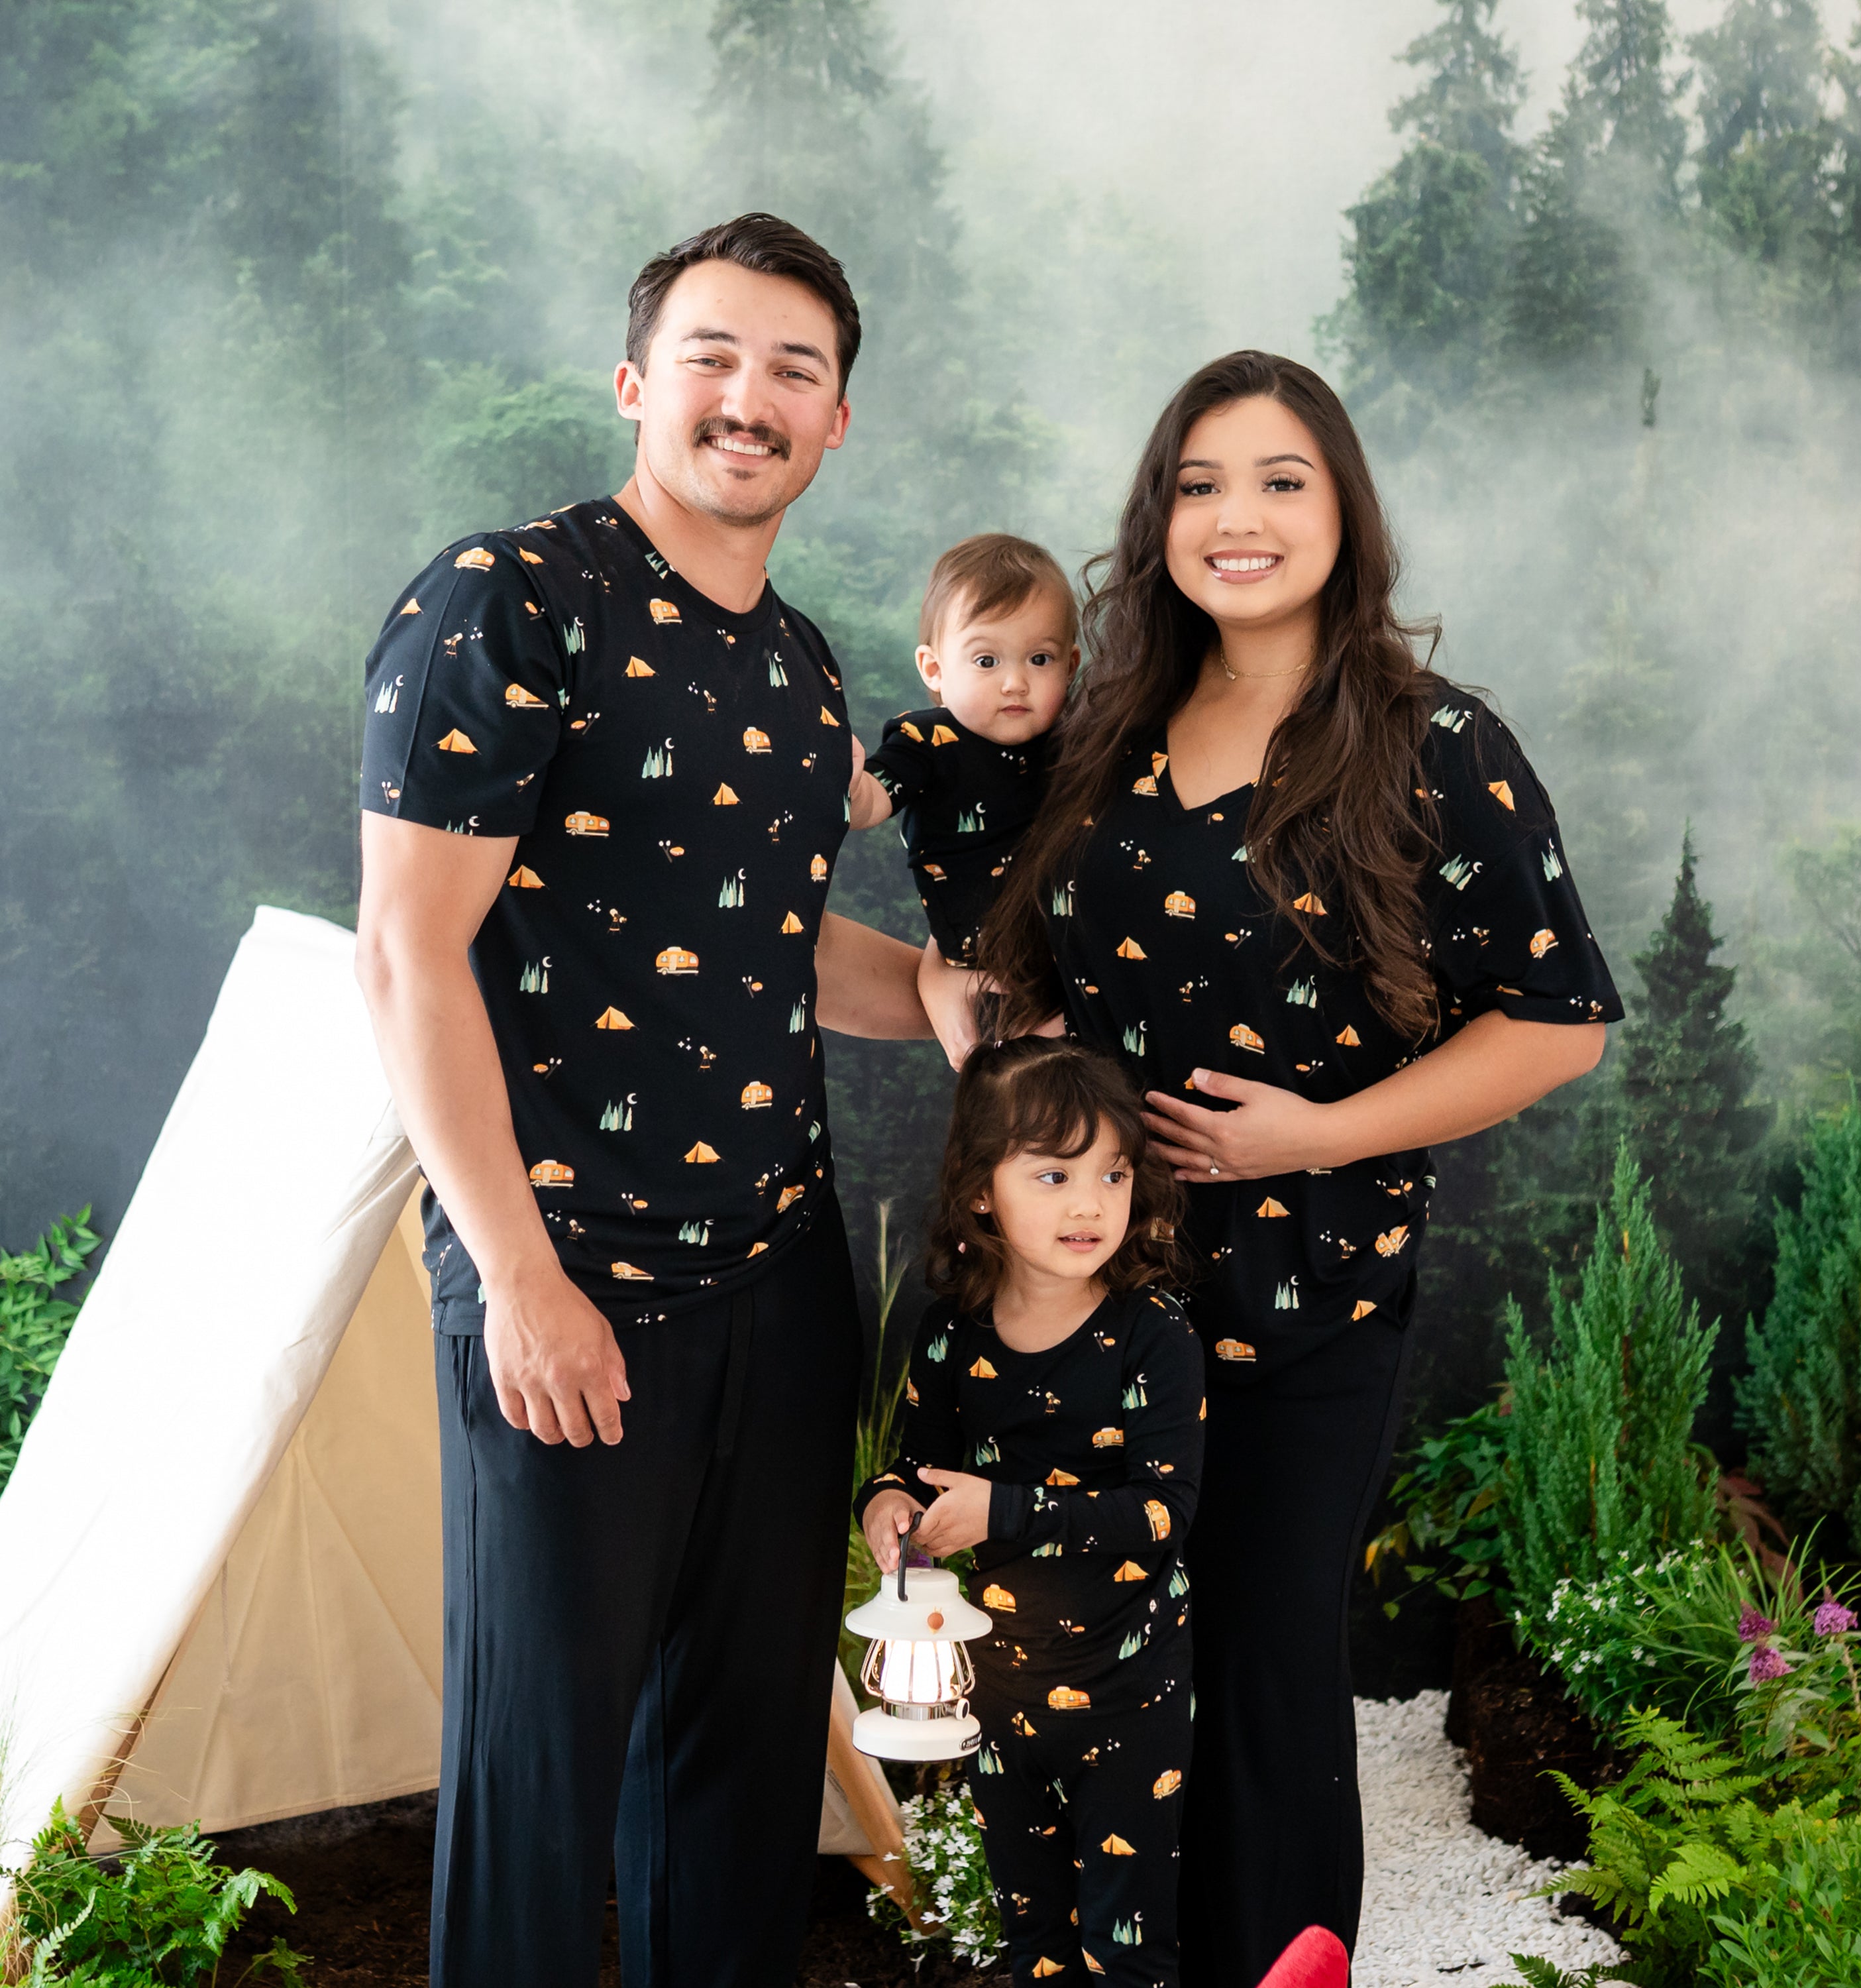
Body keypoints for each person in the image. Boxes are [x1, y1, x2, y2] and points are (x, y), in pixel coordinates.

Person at [971, 351, 1623, 1985]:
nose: (1233, 517)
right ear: (1155, 517)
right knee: (1088, 1666)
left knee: (1256, 1676)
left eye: (1278, 480)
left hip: (1301, 1309)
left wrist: (1317, 1132)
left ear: (1342, 510)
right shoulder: (1102, 733)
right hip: (1085, 1313)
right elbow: (1032, 971)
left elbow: (1558, 1023)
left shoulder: (1430, 743)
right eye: (1196, 483)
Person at [354, 213, 930, 1988]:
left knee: (741, 1778)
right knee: (542, 1786)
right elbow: (406, 957)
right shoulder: (505, 599)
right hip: (565, 1273)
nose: (750, 399)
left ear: (838, 424)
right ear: (635, 383)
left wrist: (960, 999)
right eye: (714, 356)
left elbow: (766, 937)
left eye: (795, 372)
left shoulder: (803, 667)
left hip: (780, 1281)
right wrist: (515, 1274)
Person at [857, 1037, 1202, 1987]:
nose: (1090, 1203)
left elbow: (1165, 1512)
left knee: (1127, 1950)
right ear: (981, 1191)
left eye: (1113, 1174)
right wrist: (887, 1504)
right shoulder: (951, 1334)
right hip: (1002, 1696)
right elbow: (911, 1472)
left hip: (1132, 1696)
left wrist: (1005, 1511)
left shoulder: (1152, 1334)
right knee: (1033, 1947)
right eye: (1053, 1174)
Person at [847, 533, 1078, 1057]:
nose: (1016, 683)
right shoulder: (928, 741)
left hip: (1079, 960)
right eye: (986, 661)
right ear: (934, 669)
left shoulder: (1079, 741)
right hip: (986, 972)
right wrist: (849, 783)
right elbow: (872, 802)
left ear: (1072, 665)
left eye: (1040, 660)